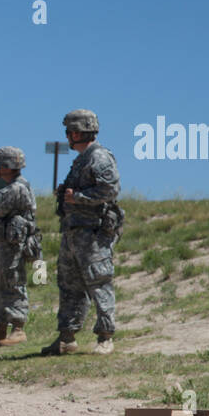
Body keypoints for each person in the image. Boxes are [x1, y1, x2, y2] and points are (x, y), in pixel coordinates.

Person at [42, 110, 123, 356]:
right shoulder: (81, 159)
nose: (67, 137)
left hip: (93, 233)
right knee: (69, 285)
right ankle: (67, 337)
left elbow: (110, 191)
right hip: (73, 232)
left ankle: (105, 337)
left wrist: (77, 197)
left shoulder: (99, 157)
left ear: (77, 132)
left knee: (99, 282)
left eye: (69, 132)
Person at [0, 147, 38, 350]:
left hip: (14, 246)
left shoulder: (16, 189)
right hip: (6, 246)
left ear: (7, 166)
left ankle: (18, 328)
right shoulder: (14, 187)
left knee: (13, 284)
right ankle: (0, 329)